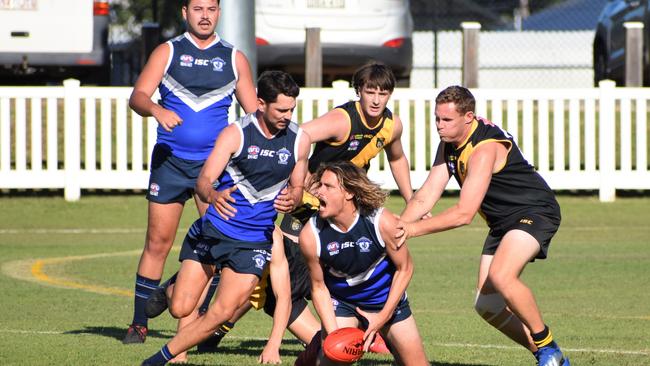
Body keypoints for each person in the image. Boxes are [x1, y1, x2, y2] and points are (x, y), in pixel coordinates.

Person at [141, 70, 311, 366]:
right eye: (282, 109)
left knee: (221, 311)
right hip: (215, 230)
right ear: (260, 104)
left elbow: (298, 185)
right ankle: (170, 290)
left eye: (292, 109)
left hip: (254, 241)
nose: (288, 115)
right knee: (181, 308)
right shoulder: (236, 134)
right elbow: (204, 180)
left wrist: (294, 196)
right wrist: (212, 195)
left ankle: (158, 358)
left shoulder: (299, 141)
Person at [396, 86, 570, 366]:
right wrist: (396, 228)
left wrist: (412, 230)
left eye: (447, 120)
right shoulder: (450, 144)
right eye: (437, 119)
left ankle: (547, 345)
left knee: (502, 276)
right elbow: (427, 194)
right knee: (487, 305)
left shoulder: (484, 149)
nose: (439, 126)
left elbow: (464, 213)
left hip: (534, 212)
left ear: (468, 117)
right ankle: (550, 356)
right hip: (503, 223)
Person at [124, 0, 257, 344]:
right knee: (158, 242)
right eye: (197, 9)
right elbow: (137, 96)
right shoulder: (167, 52)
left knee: (217, 245)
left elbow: (254, 115)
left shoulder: (233, 57)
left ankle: (189, 311)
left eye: (211, 9)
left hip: (213, 170)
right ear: (185, 13)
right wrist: (155, 109)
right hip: (170, 162)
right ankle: (139, 324)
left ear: (218, 14)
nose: (205, 15)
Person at [300, 161, 429, 366]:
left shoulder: (381, 222)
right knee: (331, 360)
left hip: (384, 302)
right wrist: (334, 336)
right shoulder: (310, 235)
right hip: (343, 303)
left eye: (328, 186)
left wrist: (383, 316)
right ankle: (316, 349)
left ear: (349, 193)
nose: (318, 191)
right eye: (320, 185)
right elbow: (318, 287)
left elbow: (405, 268)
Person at [279, 61, 414, 239]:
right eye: (370, 92)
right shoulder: (341, 121)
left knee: (361, 254)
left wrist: (410, 199)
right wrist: (303, 181)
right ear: (358, 91)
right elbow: (294, 138)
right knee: (292, 256)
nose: (376, 100)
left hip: (350, 200)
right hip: (311, 196)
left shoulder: (392, 125)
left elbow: (397, 159)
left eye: (382, 94)